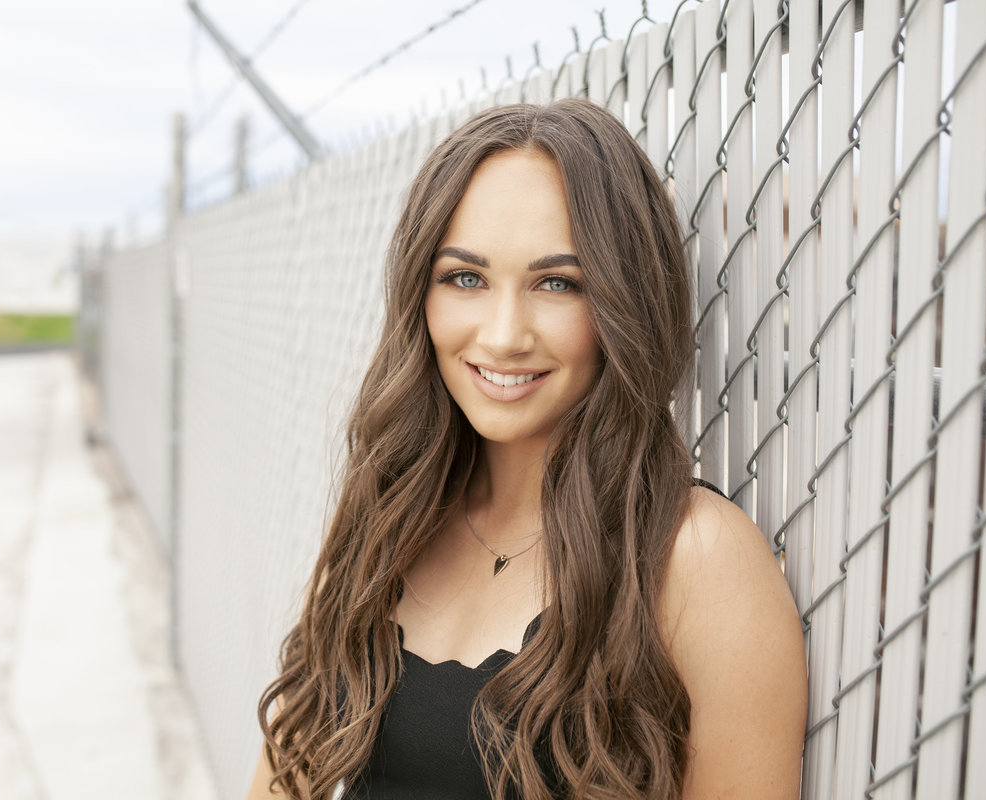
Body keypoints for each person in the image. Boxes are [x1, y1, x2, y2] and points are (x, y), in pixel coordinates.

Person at [246, 98, 806, 800]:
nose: (505, 334)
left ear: (623, 305)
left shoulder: (692, 558)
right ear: (421, 295)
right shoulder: (387, 517)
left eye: (556, 283)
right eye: (466, 278)